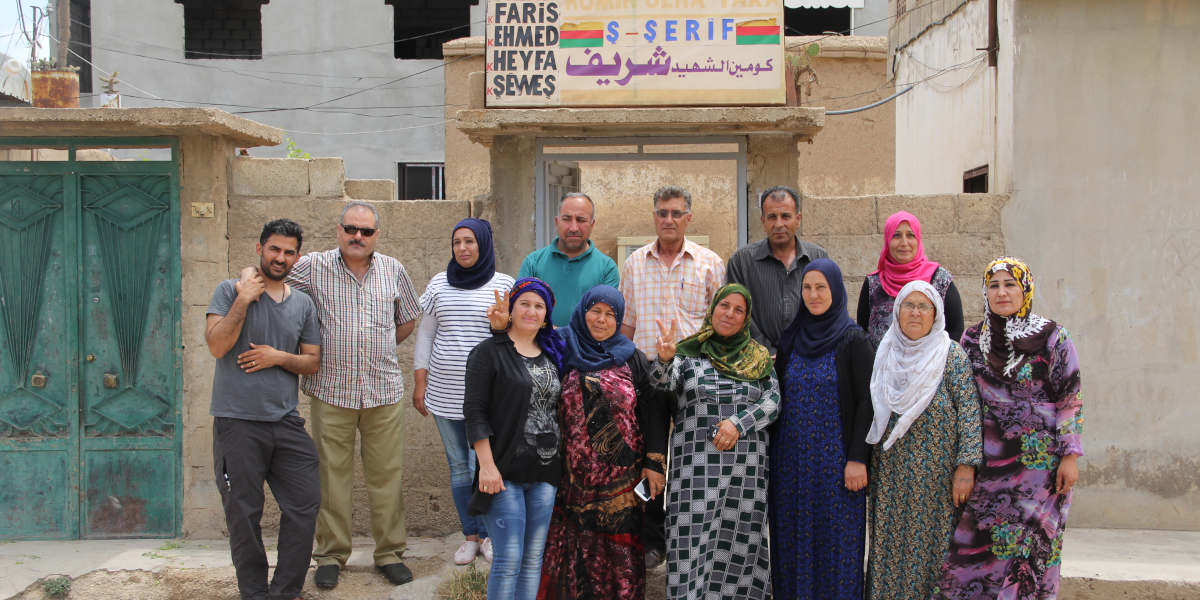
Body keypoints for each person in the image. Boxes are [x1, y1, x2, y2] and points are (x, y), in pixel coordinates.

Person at [285, 202, 420, 589]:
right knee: (332, 478)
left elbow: (408, 317)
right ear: (339, 230)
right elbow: (274, 283)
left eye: (366, 231)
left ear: (377, 235)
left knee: (387, 478)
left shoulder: (393, 269)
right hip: (331, 391)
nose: (357, 236)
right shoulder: (313, 266)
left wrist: (378, 346)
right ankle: (330, 555)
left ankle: (390, 553)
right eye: (351, 229)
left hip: (383, 391)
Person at [933, 257, 1083, 600]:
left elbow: (1070, 398)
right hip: (989, 465)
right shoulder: (971, 340)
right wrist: (964, 462)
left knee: (1031, 553)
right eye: (994, 285)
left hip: (1039, 471)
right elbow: (960, 402)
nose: (1002, 292)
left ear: (1026, 289)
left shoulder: (1054, 338)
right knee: (977, 552)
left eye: (1010, 284)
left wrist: (1070, 456)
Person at [205, 219, 321, 600]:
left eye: (289, 252)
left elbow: (311, 362)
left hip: (286, 422)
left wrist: (278, 357)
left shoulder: (303, 303)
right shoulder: (228, 290)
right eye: (274, 249)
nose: (281, 257)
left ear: (297, 257)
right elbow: (217, 346)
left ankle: (285, 592)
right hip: (237, 423)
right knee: (243, 514)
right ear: (259, 249)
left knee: (304, 506)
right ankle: (253, 592)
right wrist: (243, 297)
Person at [538, 285, 669, 600]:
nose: (601, 320)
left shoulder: (632, 357)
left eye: (611, 314)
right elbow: (520, 351)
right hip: (570, 483)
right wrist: (499, 328)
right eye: (595, 310)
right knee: (572, 565)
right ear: (583, 312)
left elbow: (653, 409)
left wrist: (654, 462)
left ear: (620, 320)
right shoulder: (561, 349)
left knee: (618, 563)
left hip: (621, 489)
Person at [651, 283, 779, 600]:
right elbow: (661, 385)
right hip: (695, 473)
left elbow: (773, 401)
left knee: (740, 549)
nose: (730, 314)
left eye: (739, 310)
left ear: (746, 317)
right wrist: (664, 360)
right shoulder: (688, 354)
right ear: (713, 309)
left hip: (744, 475)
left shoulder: (759, 358)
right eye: (724, 306)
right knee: (690, 546)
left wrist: (739, 423)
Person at [618, 185, 725, 567]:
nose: (668, 219)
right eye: (662, 212)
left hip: (694, 376)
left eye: (676, 213)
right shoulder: (634, 264)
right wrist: (621, 371)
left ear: (688, 218)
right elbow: (626, 324)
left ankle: (690, 536)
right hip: (648, 375)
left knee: (693, 458)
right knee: (648, 457)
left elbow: (719, 325)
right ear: (654, 216)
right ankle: (652, 540)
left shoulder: (710, 263)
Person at [864, 280, 983, 600]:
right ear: (897, 311)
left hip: (939, 482)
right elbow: (869, 410)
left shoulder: (951, 356)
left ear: (936, 314)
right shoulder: (884, 354)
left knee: (936, 555)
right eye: (908, 305)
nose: (915, 313)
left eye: (923, 307)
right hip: (891, 478)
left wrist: (966, 467)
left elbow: (970, 412)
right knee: (889, 552)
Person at [770, 258, 874, 600]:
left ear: (836, 290)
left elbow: (868, 404)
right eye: (807, 288)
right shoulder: (792, 339)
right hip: (791, 465)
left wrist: (858, 458)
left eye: (821, 287)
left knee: (836, 547)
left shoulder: (853, 340)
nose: (813, 295)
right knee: (791, 544)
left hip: (837, 467)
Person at [412, 218, 514, 565]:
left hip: (488, 398)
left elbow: (514, 337)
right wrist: (420, 380)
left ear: (483, 244)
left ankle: (488, 535)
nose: (463, 248)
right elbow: (425, 334)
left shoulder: (504, 286)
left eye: (470, 241)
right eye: (457, 242)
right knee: (458, 466)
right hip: (444, 393)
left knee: (480, 466)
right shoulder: (439, 284)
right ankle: (470, 535)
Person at [464, 277, 566, 600]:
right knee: (508, 560)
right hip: (503, 472)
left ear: (547, 317)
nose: (531, 311)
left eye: (539, 306)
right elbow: (475, 412)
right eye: (524, 303)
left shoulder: (554, 355)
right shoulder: (488, 352)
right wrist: (486, 467)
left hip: (545, 473)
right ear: (511, 308)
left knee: (533, 559)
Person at [726, 185, 829, 355]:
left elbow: (827, 306)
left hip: (809, 357)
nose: (779, 224)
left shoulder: (818, 258)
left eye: (786, 216)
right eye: (772, 217)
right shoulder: (742, 262)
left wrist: (807, 346)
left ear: (798, 219)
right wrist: (765, 350)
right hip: (757, 360)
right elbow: (737, 311)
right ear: (763, 221)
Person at [857, 211, 964, 347]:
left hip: (932, 366)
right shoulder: (873, 283)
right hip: (883, 367)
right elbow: (862, 332)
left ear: (918, 239)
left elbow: (955, 330)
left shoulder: (940, 280)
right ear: (887, 240)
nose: (904, 243)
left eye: (910, 235)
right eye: (896, 236)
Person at [519, 192, 620, 327]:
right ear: (557, 222)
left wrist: (557, 335)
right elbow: (522, 314)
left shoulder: (607, 268)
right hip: (538, 346)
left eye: (581, 220)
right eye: (567, 219)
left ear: (592, 224)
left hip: (585, 348)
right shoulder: (533, 263)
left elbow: (603, 324)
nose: (573, 228)